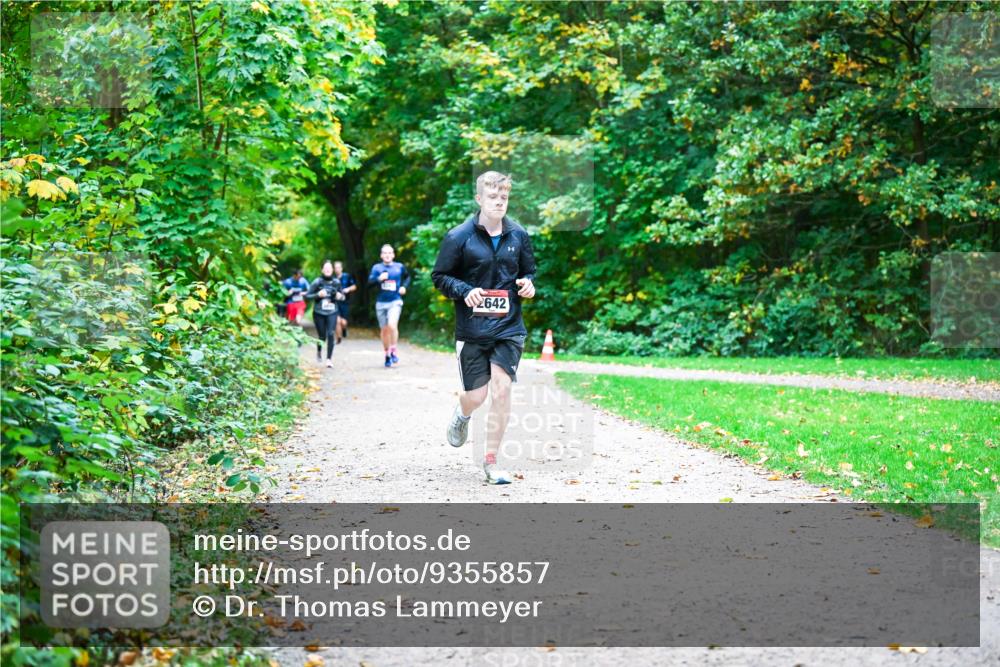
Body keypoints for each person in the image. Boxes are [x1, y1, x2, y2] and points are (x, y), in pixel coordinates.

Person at [431, 171, 536, 485]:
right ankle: (462, 414)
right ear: (479, 199)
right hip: (472, 330)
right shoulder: (458, 236)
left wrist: (528, 284)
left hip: (508, 327)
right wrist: (465, 291)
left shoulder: (518, 235)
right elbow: (439, 276)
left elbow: (529, 272)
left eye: (504, 197)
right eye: (493, 197)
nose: (499, 202)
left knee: (502, 390)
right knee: (476, 397)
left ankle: (491, 462)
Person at [368, 244, 410, 368]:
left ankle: (393, 350)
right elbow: (369, 284)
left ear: (393, 255)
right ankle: (387, 354)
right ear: (381, 255)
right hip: (381, 303)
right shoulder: (376, 268)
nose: (387, 255)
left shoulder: (399, 267)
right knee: (384, 330)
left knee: (392, 325)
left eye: (389, 253)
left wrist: (404, 287)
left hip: (395, 301)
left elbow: (407, 277)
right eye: (385, 253)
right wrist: (379, 279)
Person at [305, 260, 345, 368]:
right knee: (322, 336)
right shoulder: (317, 282)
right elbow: (307, 296)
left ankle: (329, 359)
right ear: (322, 270)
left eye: (329, 268)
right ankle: (319, 351)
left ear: (332, 270)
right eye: (325, 268)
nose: (328, 270)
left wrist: (339, 296)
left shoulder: (336, 282)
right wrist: (318, 294)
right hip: (319, 313)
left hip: (332, 311)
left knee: (331, 333)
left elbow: (343, 296)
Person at [333, 260, 357, 344]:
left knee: (343, 322)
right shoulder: (332, 279)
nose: (337, 269)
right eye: (335, 268)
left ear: (341, 268)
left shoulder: (347, 276)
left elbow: (354, 286)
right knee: (337, 320)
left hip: (345, 302)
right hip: (335, 303)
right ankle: (338, 337)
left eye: (338, 267)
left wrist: (348, 289)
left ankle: (344, 329)